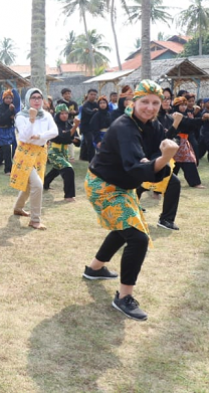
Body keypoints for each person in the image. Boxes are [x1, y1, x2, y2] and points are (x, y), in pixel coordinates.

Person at [83, 80, 179, 321]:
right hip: (103, 186)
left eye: (155, 102)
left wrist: (160, 157)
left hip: (121, 185)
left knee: (124, 228)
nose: (150, 107)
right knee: (137, 237)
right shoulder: (124, 127)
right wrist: (165, 158)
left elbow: (156, 151)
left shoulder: (152, 124)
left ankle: (94, 269)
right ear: (133, 102)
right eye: (144, 102)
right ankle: (124, 297)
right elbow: (138, 168)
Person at [9, 88, 58, 231]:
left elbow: (54, 132)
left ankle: (18, 208)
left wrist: (40, 136)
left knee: (29, 183)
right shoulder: (21, 116)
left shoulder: (46, 115)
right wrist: (31, 120)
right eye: (33, 97)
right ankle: (35, 220)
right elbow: (24, 137)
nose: (37, 100)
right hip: (25, 153)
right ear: (27, 100)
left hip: (40, 152)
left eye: (39, 97)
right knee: (37, 184)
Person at [43, 104, 79, 202]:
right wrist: (75, 127)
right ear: (57, 114)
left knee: (56, 169)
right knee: (68, 169)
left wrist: (75, 139)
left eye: (66, 113)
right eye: (62, 113)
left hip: (65, 152)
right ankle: (69, 195)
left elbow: (77, 141)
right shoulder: (53, 125)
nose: (64, 115)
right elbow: (61, 138)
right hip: (54, 152)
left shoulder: (69, 124)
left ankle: (44, 183)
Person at [170, 97, 204, 188]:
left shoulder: (186, 115)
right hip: (175, 142)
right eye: (181, 105)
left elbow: (190, 127)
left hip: (184, 142)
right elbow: (186, 123)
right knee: (173, 164)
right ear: (176, 106)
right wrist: (201, 119)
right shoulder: (174, 115)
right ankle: (164, 183)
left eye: (185, 105)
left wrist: (194, 119)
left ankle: (195, 183)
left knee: (188, 161)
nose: (184, 107)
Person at [0, 89, 18, 174]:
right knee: (6, 148)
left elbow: (13, 117)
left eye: (10, 98)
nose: (8, 100)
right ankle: (8, 169)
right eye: (6, 98)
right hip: (2, 130)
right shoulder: (0, 108)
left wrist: (12, 112)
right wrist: (9, 111)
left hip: (9, 130)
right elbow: (1, 119)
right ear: (3, 99)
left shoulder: (12, 107)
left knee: (4, 147)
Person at [79, 89, 99, 161]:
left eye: (94, 94)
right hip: (86, 127)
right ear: (88, 95)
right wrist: (95, 111)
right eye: (91, 94)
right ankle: (92, 159)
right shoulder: (85, 105)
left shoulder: (96, 104)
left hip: (94, 127)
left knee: (85, 142)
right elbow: (89, 112)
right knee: (90, 142)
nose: (93, 96)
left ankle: (83, 156)